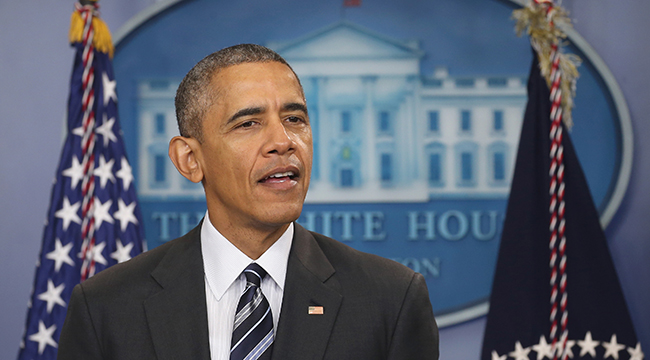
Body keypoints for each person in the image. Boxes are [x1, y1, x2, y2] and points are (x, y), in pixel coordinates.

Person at [58, 44, 439, 360]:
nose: (283, 140)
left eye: (294, 118)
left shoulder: (391, 300)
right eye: (248, 123)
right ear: (190, 160)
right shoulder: (106, 308)